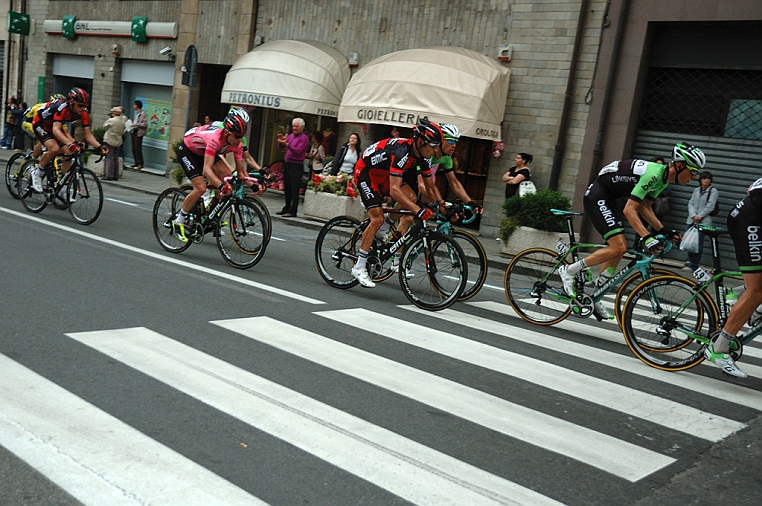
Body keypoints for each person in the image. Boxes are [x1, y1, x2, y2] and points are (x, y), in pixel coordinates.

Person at [558, 143, 705, 320]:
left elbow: (645, 207)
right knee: (619, 247)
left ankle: (595, 295)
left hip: (611, 199)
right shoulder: (653, 175)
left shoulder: (663, 180)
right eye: (693, 171)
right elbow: (630, 210)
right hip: (598, 195)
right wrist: (647, 237)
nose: (694, 177)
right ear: (680, 166)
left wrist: (664, 230)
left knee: (619, 250)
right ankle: (568, 270)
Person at [350, 117, 443, 288]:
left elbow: (430, 187)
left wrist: (443, 205)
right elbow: (394, 190)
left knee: (412, 198)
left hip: (383, 174)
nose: (437, 150)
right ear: (421, 142)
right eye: (434, 146)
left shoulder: (421, 156)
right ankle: (359, 266)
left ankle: (385, 226)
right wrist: (418, 210)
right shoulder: (402, 152)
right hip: (366, 172)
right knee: (376, 218)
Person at [703, 178, 762, 378]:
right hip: (749, 219)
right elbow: (754, 190)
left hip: (755, 215)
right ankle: (718, 349)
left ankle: (737, 295)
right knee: (756, 291)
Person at [171, 112, 258, 242]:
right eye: (237, 136)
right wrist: (222, 186)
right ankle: (179, 221)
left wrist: (255, 185)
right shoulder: (214, 139)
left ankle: (211, 213)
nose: (240, 140)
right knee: (200, 188)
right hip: (188, 151)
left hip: (204, 151)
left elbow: (240, 172)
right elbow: (207, 169)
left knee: (227, 176)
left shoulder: (237, 145)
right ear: (227, 132)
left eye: (242, 137)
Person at [30, 88, 107, 197]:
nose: (83, 108)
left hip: (54, 126)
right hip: (41, 124)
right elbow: (56, 130)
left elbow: (88, 134)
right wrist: (71, 143)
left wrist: (99, 146)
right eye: (80, 105)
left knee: (69, 153)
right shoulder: (62, 107)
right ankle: (37, 173)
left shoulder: (83, 113)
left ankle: (63, 188)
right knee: (54, 148)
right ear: (71, 103)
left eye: (85, 106)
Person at [683, 171, 718, 271]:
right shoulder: (696, 190)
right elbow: (691, 203)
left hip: (703, 222)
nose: (706, 180)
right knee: (688, 241)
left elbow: (710, 206)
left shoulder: (713, 191)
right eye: (704, 178)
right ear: (700, 180)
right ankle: (689, 260)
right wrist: (693, 215)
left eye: (708, 178)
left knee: (698, 243)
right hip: (691, 220)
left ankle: (694, 265)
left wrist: (700, 216)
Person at [276, 117, 309, 217]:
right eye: (293, 126)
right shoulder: (290, 136)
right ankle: (287, 207)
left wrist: (287, 144)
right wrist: (281, 142)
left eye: (297, 126)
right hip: (288, 163)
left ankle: (293, 210)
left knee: (294, 188)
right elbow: (282, 147)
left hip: (296, 165)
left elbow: (298, 151)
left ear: (302, 127)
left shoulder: (304, 138)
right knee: (287, 186)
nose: (294, 128)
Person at [103, 106, 128, 180]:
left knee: (109, 158)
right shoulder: (123, 121)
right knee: (115, 158)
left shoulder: (111, 120)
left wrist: (109, 119)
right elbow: (124, 131)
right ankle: (115, 175)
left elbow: (104, 127)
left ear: (114, 113)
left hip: (110, 140)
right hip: (118, 141)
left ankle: (109, 175)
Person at [130, 100, 147, 169]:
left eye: (134, 105)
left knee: (138, 148)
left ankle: (140, 163)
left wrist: (136, 124)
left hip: (139, 132)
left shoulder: (143, 114)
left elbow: (145, 124)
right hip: (134, 131)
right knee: (133, 148)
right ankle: (136, 162)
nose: (133, 106)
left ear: (137, 105)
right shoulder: (136, 113)